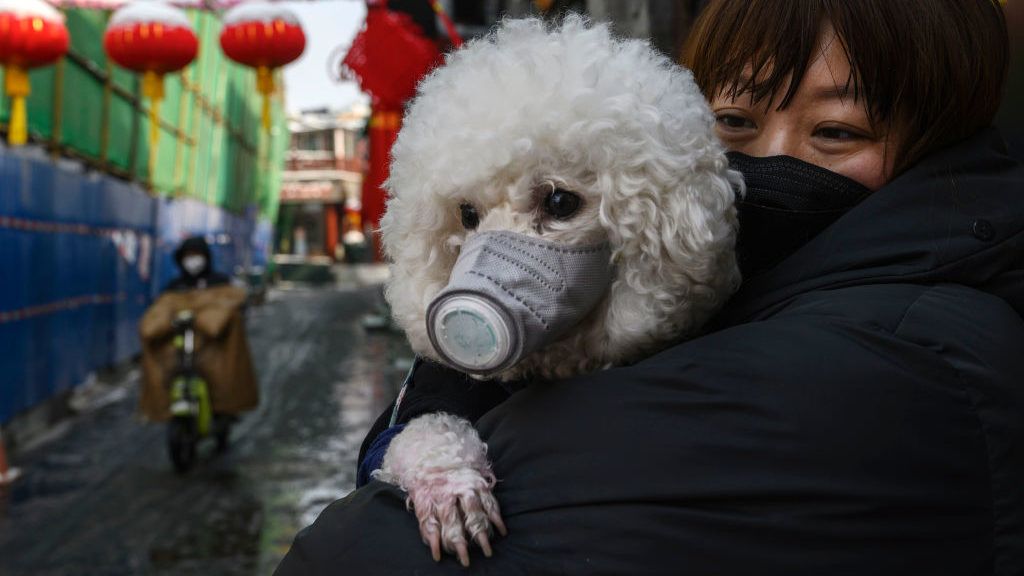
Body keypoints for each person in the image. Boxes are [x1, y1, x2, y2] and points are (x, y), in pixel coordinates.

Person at [276, 1, 1023, 573]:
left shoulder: (896, 353)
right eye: (734, 119)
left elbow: (350, 554)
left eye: (836, 132)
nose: (775, 158)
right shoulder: (762, 290)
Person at [164, 235, 231, 292]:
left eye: (197, 254)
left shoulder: (220, 282)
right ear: (181, 259)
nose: (193, 258)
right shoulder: (175, 286)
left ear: (206, 257)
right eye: (189, 255)